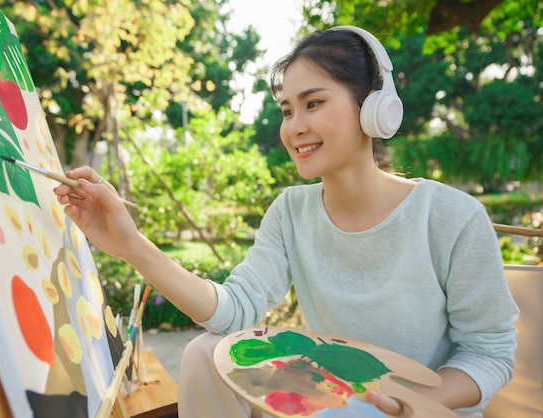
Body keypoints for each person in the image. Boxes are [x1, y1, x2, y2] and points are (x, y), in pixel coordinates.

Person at [54, 25, 518, 417]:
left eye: (313, 103)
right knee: (203, 353)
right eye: (288, 110)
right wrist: (131, 244)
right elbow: (233, 310)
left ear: (375, 108)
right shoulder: (292, 212)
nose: (294, 126)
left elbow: (490, 352)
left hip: (417, 410)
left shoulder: (451, 217)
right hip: (329, 403)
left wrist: (411, 400)